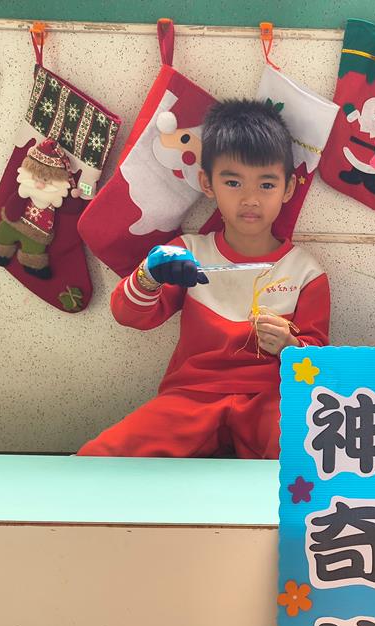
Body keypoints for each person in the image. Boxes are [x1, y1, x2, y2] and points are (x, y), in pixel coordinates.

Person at [79, 99, 330, 458]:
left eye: (266, 184)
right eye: (233, 182)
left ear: (288, 188)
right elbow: (128, 315)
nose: (250, 199)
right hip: (190, 398)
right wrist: (149, 275)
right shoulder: (188, 252)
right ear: (206, 183)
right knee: (100, 457)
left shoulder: (307, 273)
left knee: (308, 455)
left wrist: (290, 345)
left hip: (271, 400)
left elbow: (319, 369)